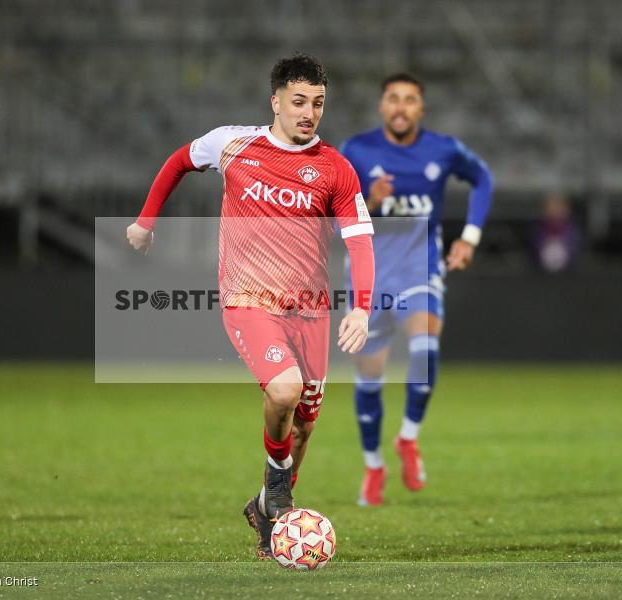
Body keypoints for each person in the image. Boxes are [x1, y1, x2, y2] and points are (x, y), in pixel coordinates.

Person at [126, 54, 375, 560]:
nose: (309, 112)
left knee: (305, 421)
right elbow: (178, 161)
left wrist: (362, 308)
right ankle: (279, 498)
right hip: (248, 299)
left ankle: (266, 509)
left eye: (319, 104)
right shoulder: (233, 143)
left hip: (310, 309)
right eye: (299, 101)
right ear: (276, 101)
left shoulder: (336, 169)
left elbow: (361, 240)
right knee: (285, 391)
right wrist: (145, 221)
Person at [340, 73, 493, 506]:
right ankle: (373, 466)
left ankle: (408, 438)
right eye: (393, 99)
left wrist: (470, 237)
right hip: (369, 279)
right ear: (381, 107)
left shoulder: (442, 150)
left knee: (425, 349)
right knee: (370, 376)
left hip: (419, 268)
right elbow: (333, 216)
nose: (401, 107)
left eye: (410, 100)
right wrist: (367, 202)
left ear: (421, 109)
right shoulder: (356, 151)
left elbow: (483, 178)